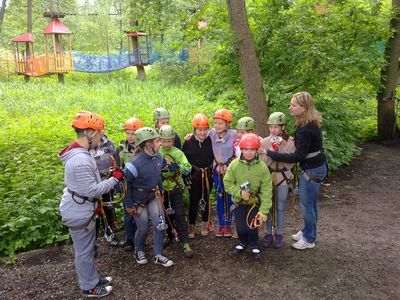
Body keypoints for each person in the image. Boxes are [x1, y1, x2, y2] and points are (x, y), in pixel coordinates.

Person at [59, 111, 124, 297]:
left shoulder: (81, 153)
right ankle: (89, 287)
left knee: (87, 248)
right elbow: (92, 190)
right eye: (99, 133)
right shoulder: (80, 160)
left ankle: (93, 279)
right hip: (79, 209)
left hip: (81, 206)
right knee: (84, 252)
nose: (101, 137)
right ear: (89, 132)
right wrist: (115, 179)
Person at [266, 92, 327, 250]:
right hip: (314, 166)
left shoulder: (306, 129)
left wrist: (270, 153)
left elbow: (297, 156)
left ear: (303, 107)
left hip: (312, 170)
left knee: (307, 205)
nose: (290, 108)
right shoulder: (308, 123)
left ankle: (309, 238)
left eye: (293, 105)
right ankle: (308, 230)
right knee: (310, 203)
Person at [124, 127, 174, 267]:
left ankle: (158, 254)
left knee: (160, 225)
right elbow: (125, 184)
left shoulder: (158, 157)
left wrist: (162, 193)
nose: (160, 144)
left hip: (154, 196)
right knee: (143, 227)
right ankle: (138, 250)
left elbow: (158, 177)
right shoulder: (133, 164)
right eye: (157, 141)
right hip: (138, 201)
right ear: (148, 145)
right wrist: (128, 204)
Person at [224, 133, 272, 258]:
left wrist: (264, 210)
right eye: (246, 149)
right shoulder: (234, 165)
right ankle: (243, 241)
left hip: (254, 202)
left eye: (252, 149)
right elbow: (227, 183)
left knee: (252, 226)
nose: (249, 152)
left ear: (256, 150)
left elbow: (267, 189)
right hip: (239, 202)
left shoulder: (262, 167)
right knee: (240, 227)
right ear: (241, 149)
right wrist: (239, 193)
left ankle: (254, 244)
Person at [259, 112, 295, 248]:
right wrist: (270, 152)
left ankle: (279, 233)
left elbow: (290, 162)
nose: (273, 130)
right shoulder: (265, 141)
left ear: (283, 127)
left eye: (276, 127)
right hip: (269, 176)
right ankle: (268, 233)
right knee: (268, 206)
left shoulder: (290, 141)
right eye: (271, 127)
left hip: (283, 177)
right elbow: (263, 162)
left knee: (280, 206)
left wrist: (276, 151)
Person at [159, 125, 194, 258]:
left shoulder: (178, 153)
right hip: (162, 188)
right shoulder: (157, 152)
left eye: (169, 141)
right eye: (164, 141)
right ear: (160, 140)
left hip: (175, 187)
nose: (166, 144)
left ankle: (185, 241)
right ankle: (169, 236)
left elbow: (188, 168)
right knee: (163, 215)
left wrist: (177, 166)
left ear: (173, 141)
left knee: (179, 214)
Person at [182, 113, 214, 238]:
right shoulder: (189, 142)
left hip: (207, 175)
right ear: (194, 130)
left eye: (205, 130)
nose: (202, 133)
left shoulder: (210, 140)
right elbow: (184, 160)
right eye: (199, 130)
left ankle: (205, 224)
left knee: (206, 198)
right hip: (194, 176)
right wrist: (187, 176)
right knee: (193, 201)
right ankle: (191, 226)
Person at [115, 117, 144, 252]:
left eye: (133, 133)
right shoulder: (121, 148)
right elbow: (117, 168)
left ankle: (140, 237)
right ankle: (129, 239)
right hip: (126, 185)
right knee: (128, 214)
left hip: (140, 186)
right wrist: (117, 185)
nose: (130, 136)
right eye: (128, 133)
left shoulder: (143, 147)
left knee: (139, 212)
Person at [89, 133, 120, 247]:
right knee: (94, 214)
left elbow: (115, 161)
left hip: (108, 183)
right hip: (93, 185)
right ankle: (92, 244)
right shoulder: (86, 146)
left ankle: (110, 235)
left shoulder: (109, 144)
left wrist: (113, 174)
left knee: (108, 210)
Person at [210, 108, 237, 237]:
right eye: (216, 123)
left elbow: (248, 135)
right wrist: (189, 136)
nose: (217, 126)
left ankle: (228, 224)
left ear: (227, 124)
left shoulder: (233, 134)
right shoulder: (212, 133)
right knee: (220, 197)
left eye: (220, 123)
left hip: (230, 172)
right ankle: (221, 225)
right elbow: (200, 134)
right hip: (217, 171)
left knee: (230, 198)